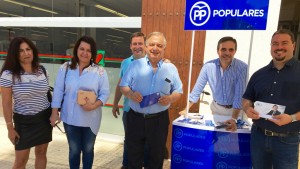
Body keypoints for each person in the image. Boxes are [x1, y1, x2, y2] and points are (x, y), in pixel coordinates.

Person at [120, 31, 183, 169]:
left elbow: (179, 91)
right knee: (133, 158)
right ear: (146, 47)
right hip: (135, 119)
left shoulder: (170, 68)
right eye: (152, 44)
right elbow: (123, 86)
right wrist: (130, 94)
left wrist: (170, 98)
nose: (155, 48)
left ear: (164, 49)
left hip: (158, 121)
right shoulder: (135, 65)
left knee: (155, 159)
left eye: (159, 45)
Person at [242, 29, 300, 169]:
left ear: (294, 45)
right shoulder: (259, 74)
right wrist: (248, 109)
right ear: (271, 46)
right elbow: (247, 98)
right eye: (275, 44)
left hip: (287, 140)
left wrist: (292, 118)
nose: (279, 47)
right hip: (259, 137)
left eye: (284, 43)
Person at [50, 36, 110, 169]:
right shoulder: (65, 68)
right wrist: (54, 113)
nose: (85, 53)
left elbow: (105, 94)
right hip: (70, 119)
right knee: (74, 151)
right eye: (82, 49)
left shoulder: (99, 72)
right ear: (76, 50)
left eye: (88, 50)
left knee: (88, 150)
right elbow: (58, 91)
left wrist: (93, 105)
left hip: (91, 120)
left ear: (93, 53)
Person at [0, 37, 52, 168]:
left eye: (28, 49)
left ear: (33, 51)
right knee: (21, 160)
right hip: (23, 122)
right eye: (21, 51)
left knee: (41, 154)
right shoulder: (8, 74)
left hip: (43, 119)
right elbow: (6, 103)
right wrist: (10, 128)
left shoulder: (42, 70)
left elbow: (47, 93)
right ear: (15, 54)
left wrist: (54, 114)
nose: (26, 53)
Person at [179, 36, 248, 131]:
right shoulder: (208, 66)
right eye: (223, 49)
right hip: (216, 109)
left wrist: (234, 119)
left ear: (235, 51)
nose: (227, 53)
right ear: (218, 51)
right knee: (216, 139)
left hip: (236, 111)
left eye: (231, 50)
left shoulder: (242, 67)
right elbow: (197, 89)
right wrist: (186, 109)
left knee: (233, 143)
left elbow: (239, 96)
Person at [112, 32, 149, 169]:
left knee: (146, 142)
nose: (137, 46)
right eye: (135, 44)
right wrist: (115, 104)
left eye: (140, 43)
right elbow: (120, 84)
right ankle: (125, 165)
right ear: (130, 46)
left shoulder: (153, 62)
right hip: (129, 110)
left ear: (145, 45)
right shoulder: (126, 62)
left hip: (147, 112)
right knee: (129, 140)